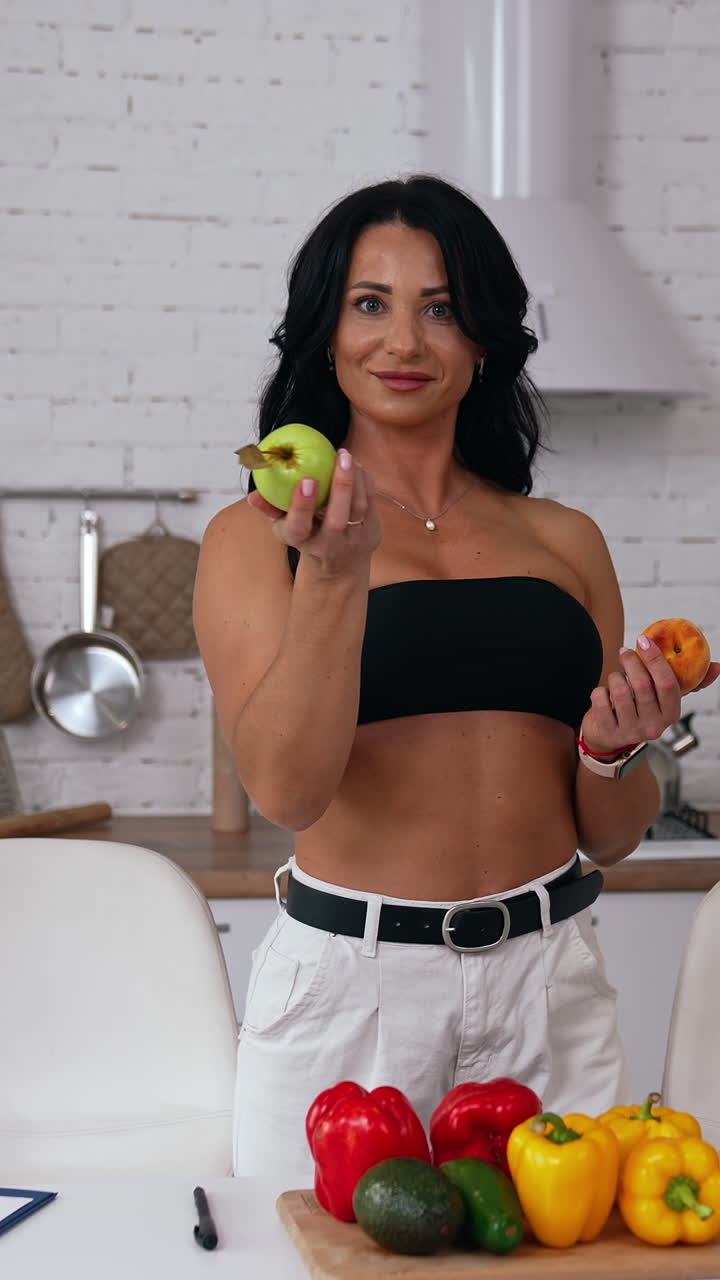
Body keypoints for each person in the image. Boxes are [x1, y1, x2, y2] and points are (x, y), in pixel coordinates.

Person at [193, 174, 719, 1186]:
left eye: (439, 308)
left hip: (550, 979)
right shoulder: (259, 538)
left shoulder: (564, 541)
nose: (403, 341)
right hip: (352, 997)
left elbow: (607, 829)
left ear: (483, 337)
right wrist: (339, 572)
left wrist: (615, 748)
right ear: (326, 330)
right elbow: (289, 788)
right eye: (369, 303)